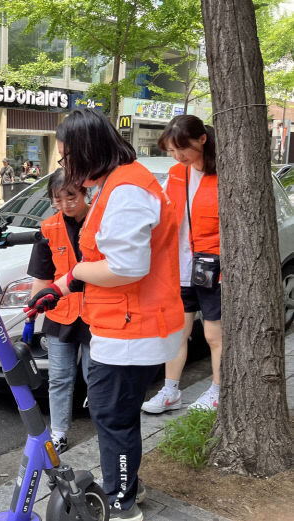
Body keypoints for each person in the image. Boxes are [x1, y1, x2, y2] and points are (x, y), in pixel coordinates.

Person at [24, 109, 184, 521]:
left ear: (85, 150)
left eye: (64, 158)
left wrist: (74, 272)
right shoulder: (119, 183)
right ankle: (129, 486)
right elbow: (104, 258)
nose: (64, 167)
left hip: (131, 328)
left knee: (113, 418)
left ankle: (122, 504)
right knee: (116, 415)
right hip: (124, 322)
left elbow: (125, 267)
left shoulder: (127, 189)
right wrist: (59, 287)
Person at [142, 115, 222, 414]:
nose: (177, 156)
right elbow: (161, 212)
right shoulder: (176, 173)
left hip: (214, 268)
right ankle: (171, 391)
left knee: (215, 335)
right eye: (172, 150)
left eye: (181, 149)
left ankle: (217, 391)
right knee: (177, 332)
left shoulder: (223, 176)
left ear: (202, 140)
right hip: (180, 267)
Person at [24, 169, 91, 455]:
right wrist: (32, 314)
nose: (65, 204)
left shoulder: (99, 222)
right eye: (58, 198)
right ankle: (60, 432)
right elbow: (42, 276)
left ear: (84, 193)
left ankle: (105, 425)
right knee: (60, 377)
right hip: (60, 312)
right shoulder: (48, 227)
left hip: (95, 313)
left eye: (71, 196)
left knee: (96, 377)